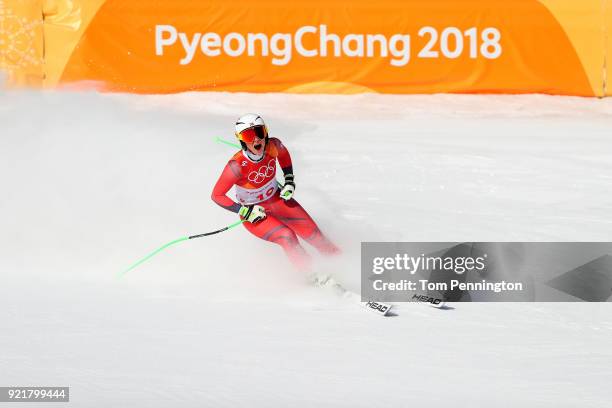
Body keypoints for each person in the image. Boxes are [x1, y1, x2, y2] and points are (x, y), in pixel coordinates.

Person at [211, 114, 339, 271]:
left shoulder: (274, 145)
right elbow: (217, 195)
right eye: (249, 135)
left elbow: (284, 156)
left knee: (315, 235)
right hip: (255, 213)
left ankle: (343, 262)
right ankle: (311, 274)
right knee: (287, 236)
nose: (256, 139)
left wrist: (289, 180)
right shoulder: (237, 166)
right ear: (241, 139)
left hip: (278, 200)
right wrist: (244, 210)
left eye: (259, 132)